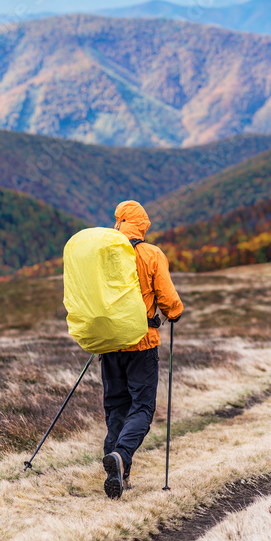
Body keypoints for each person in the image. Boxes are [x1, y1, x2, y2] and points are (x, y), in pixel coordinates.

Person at [101, 200, 183, 499]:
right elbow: (168, 298)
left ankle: (118, 470)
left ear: (119, 222)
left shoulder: (106, 254)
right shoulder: (151, 254)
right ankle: (121, 455)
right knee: (143, 407)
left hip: (109, 342)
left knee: (116, 406)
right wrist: (174, 312)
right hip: (142, 342)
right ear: (143, 225)